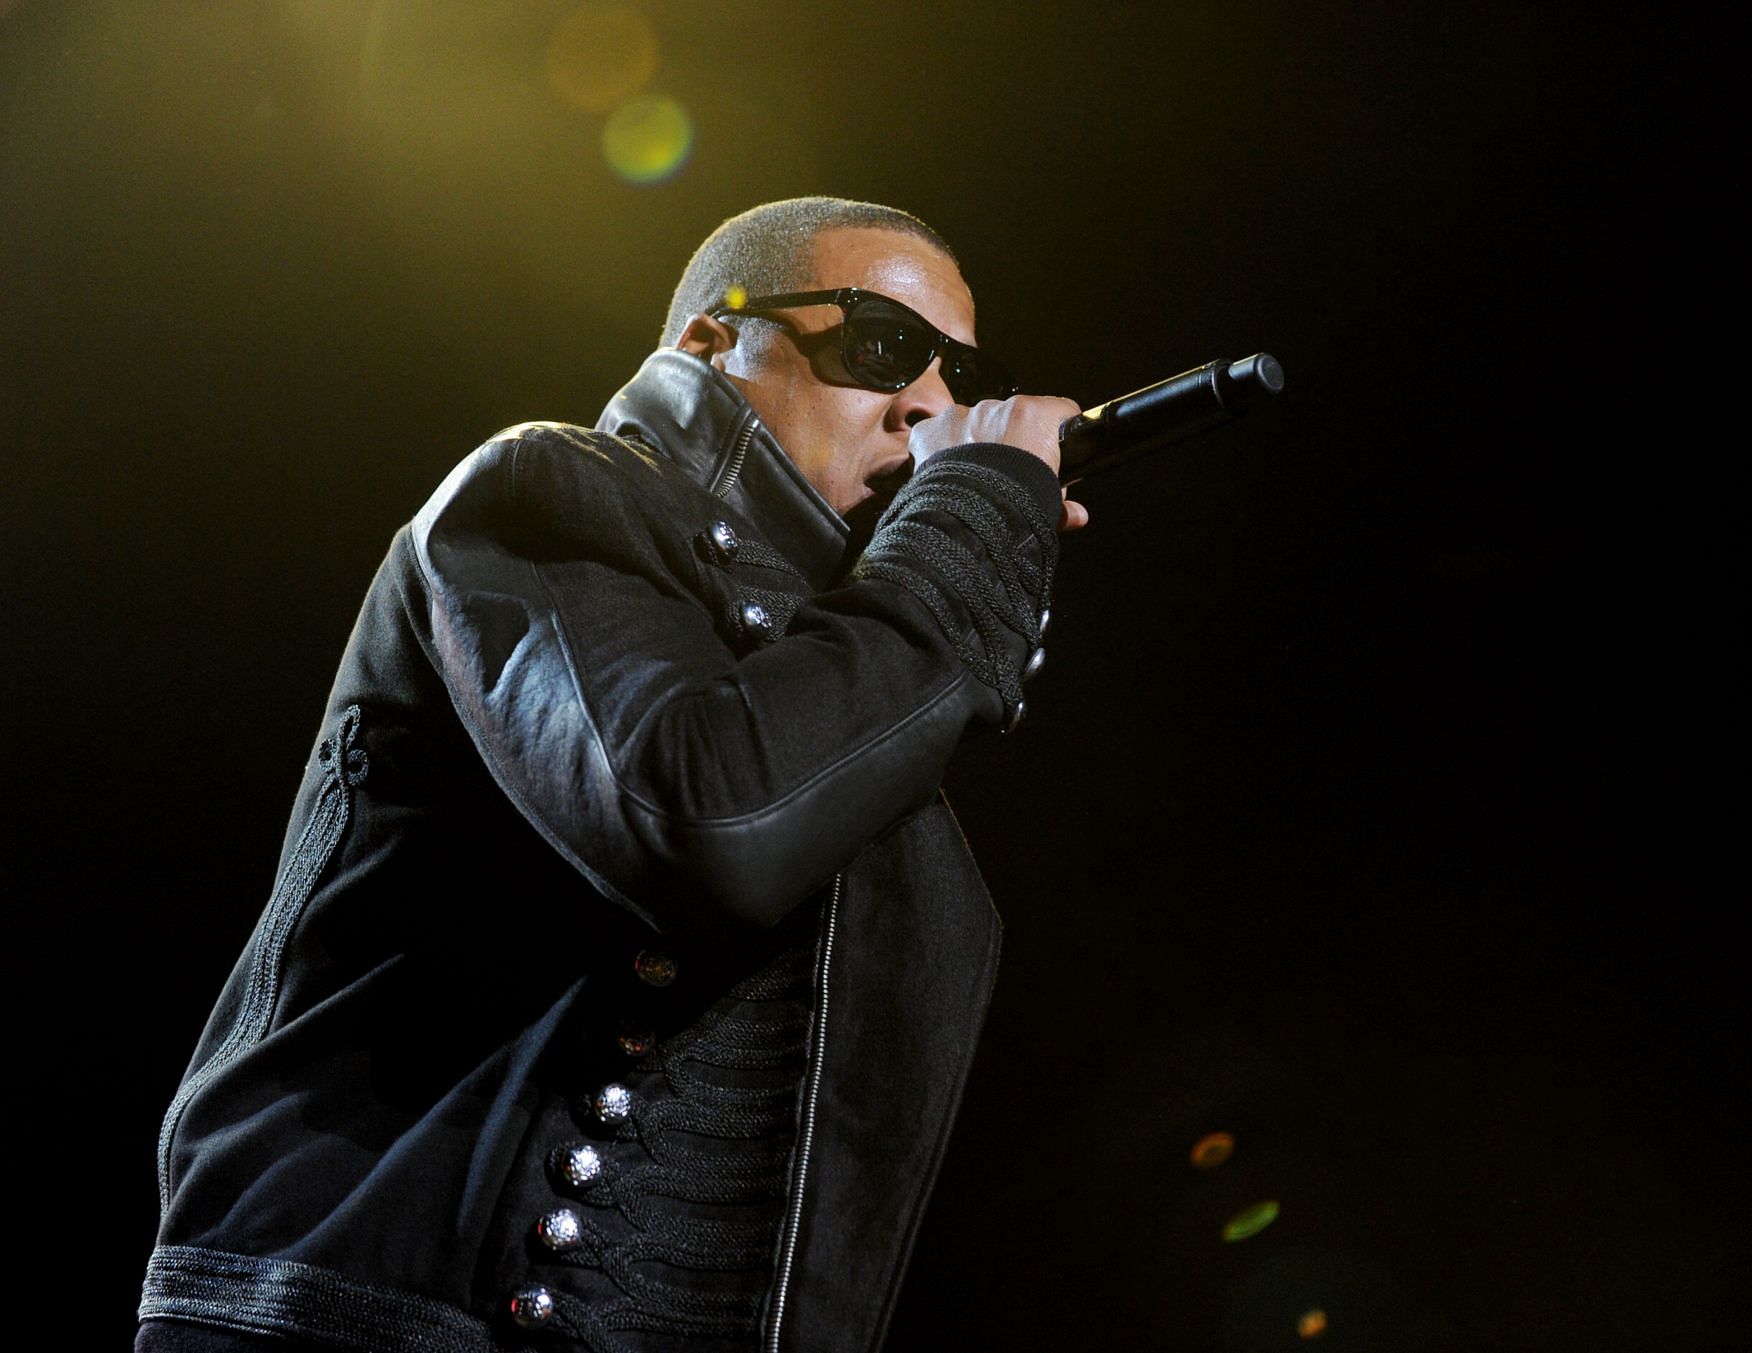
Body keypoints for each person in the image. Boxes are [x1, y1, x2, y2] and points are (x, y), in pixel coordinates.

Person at [137, 197, 1083, 1353]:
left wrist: (959, 570)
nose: (931, 403)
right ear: (710, 345)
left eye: (958, 375)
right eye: (881, 345)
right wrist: (968, 533)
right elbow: (704, 813)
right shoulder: (547, 496)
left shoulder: (845, 689)